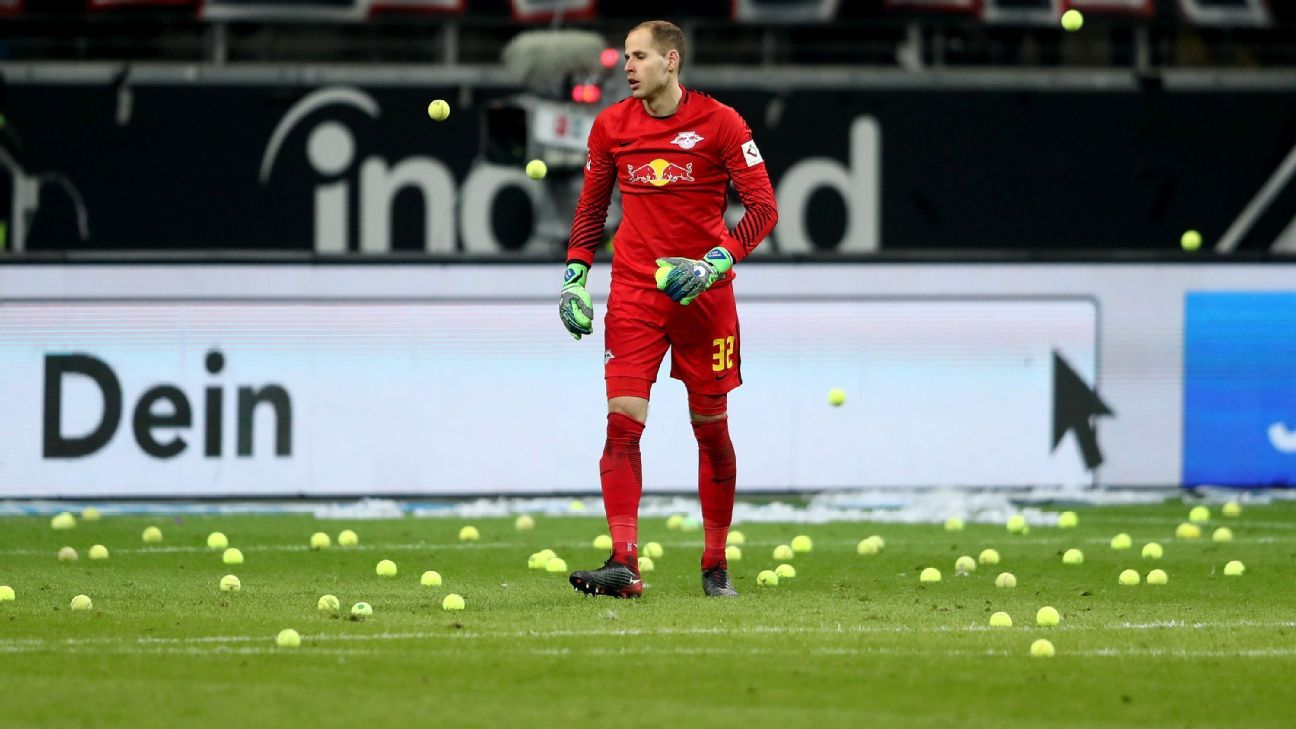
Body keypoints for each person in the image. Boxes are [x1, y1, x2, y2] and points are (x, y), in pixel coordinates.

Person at [558, 19, 778, 598]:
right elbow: (591, 208)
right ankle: (624, 563)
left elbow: (763, 210)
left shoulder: (721, 123)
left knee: (709, 429)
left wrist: (713, 264)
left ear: (671, 61)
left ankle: (714, 565)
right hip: (634, 292)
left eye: (638, 56)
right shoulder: (611, 126)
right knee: (622, 423)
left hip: (703, 296)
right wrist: (575, 276)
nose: (627, 66)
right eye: (625, 56)